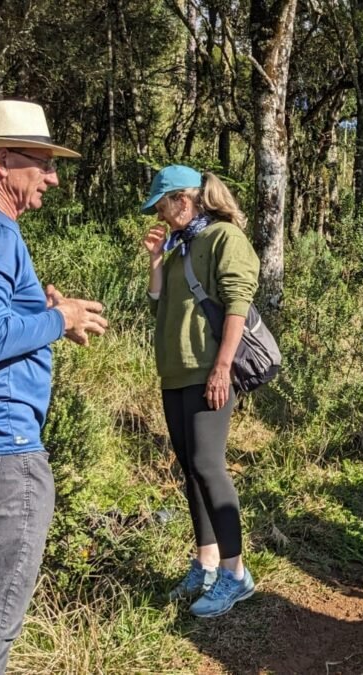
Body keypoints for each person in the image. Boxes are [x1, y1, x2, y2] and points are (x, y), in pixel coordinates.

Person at [0, 99, 108, 674]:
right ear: (1, 160)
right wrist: (60, 318)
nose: (52, 176)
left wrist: (36, 315)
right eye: (42, 162)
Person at [141, 164, 259, 618]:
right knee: (191, 469)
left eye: (162, 205)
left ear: (184, 200)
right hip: (175, 372)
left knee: (209, 467)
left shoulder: (224, 238)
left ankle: (235, 573)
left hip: (208, 370)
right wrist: (156, 260)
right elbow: (158, 302)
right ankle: (206, 561)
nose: (160, 214)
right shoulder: (179, 246)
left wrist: (222, 369)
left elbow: (237, 305)